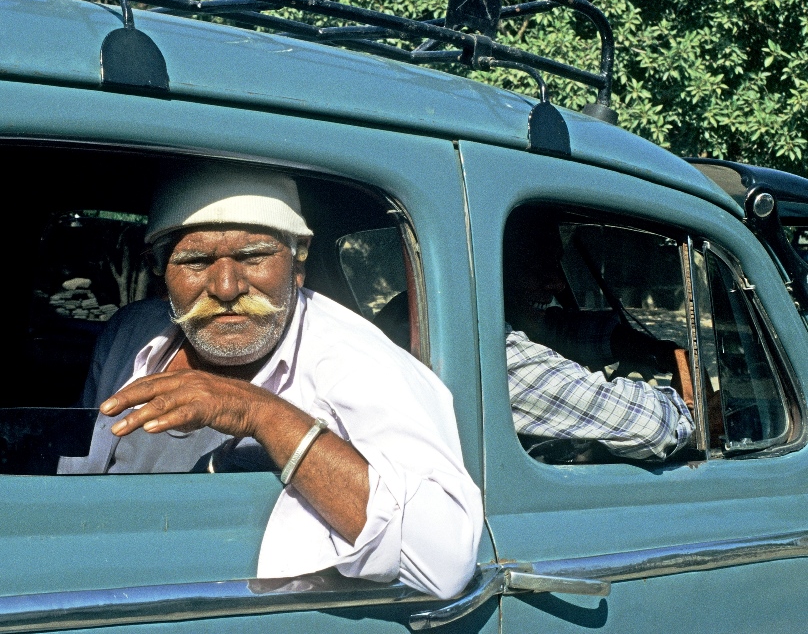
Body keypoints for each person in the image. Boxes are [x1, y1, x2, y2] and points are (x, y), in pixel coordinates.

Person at [60, 165, 482, 599]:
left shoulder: (358, 364)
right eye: (196, 261)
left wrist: (260, 413)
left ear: (299, 263)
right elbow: (72, 483)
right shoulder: (132, 335)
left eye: (252, 257)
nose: (226, 287)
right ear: (159, 270)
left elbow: (445, 563)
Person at [503, 207, 695, 461]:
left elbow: (559, 328)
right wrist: (688, 405)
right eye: (537, 266)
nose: (558, 283)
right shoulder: (502, 357)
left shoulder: (504, 326)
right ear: (496, 268)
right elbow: (653, 427)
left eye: (556, 264)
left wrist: (654, 351)